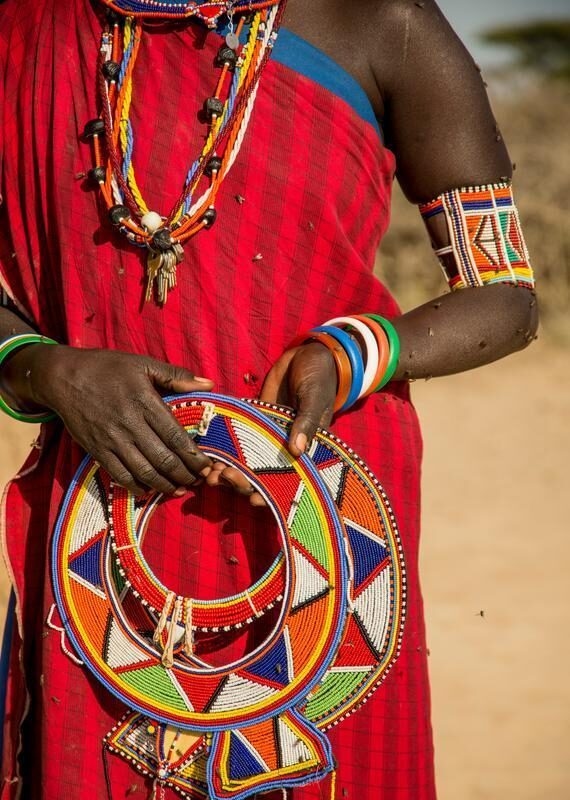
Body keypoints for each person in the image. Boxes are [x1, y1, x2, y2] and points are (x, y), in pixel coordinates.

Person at [0, 0, 537, 798]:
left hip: (328, 533)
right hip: (100, 519)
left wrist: (353, 351)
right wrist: (44, 368)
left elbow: (504, 296)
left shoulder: (382, 21)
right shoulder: (27, 25)